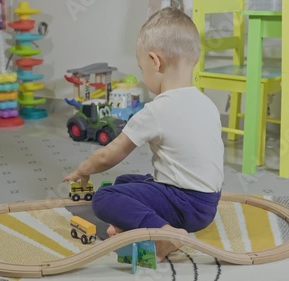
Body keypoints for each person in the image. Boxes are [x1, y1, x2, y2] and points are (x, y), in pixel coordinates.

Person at [63, 7, 224, 262]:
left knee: (104, 198)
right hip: (207, 204)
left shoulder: (157, 110)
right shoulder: (207, 104)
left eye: (141, 69)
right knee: (126, 181)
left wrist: (84, 170)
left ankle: (165, 235)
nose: (143, 75)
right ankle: (139, 225)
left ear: (155, 61)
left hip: (184, 204)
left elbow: (108, 155)